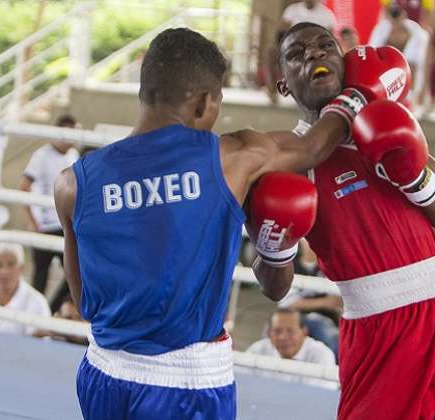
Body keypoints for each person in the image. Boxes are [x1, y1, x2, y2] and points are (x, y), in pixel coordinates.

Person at [53, 27, 394, 420]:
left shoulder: (72, 183)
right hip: (186, 385)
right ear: (203, 103)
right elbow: (313, 147)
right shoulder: (232, 158)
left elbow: (83, 302)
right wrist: (358, 94)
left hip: (103, 374)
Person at [266, 21, 435, 419]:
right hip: (377, 332)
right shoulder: (291, 163)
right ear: (284, 84)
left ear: (343, 61)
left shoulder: (394, 126)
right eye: (297, 54)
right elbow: (274, 287)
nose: (314, 54)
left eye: (324, 46)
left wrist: (415, 180)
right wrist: (273, 242)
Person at [19, 114, 79, 311]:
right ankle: (31, 317)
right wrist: (31, 221)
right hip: (44, 226)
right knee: (40, 278)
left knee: (75, 276)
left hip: (66, 226)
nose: (71, 140)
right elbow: (24, 186)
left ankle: (50, 312)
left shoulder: (73, 156)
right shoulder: (41, 155)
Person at [368, 5, 430, 99]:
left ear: (404, 17)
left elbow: (416, 64)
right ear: (389, 18)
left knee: (411, 65)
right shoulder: (381, 31)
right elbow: (372, 54)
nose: (396, 23)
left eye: (398, 19)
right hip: (388, 66)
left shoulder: (417, 34)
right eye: (393, 20)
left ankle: (411, 97)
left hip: (409, 67)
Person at [246, 308, 336, 365]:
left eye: (290, 331)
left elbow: (320, 394)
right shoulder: (257, 350)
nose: (283, 337)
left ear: (304, 333)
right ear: (269, 333)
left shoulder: (322, 355)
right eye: (277, 331)